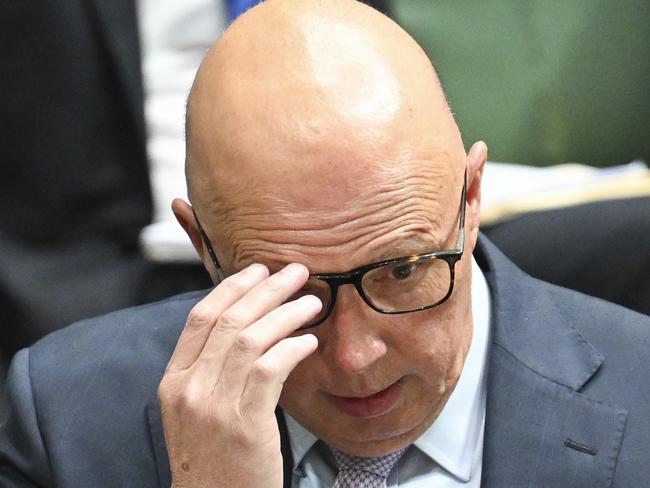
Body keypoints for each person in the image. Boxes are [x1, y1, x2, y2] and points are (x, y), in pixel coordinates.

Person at [1, 1, 649, 487]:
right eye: (295, 294)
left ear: (471, 197)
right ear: (204, 244)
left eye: (402, 271)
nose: (356, 358)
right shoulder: (64, 425)